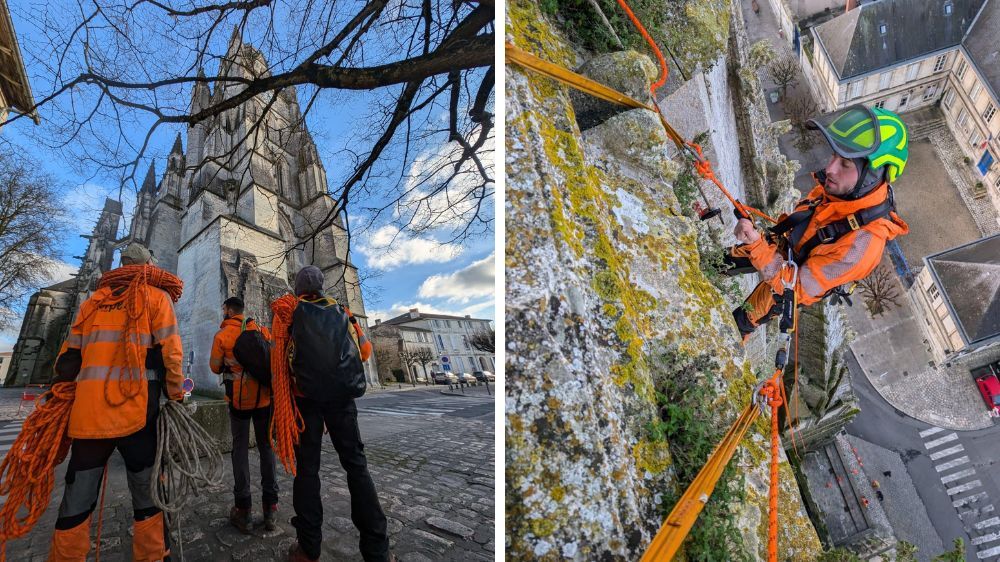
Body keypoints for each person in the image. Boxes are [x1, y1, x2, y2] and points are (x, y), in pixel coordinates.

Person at [725, 104, 910, 340]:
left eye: (845, 164)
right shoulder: (842, 192)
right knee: (721, 261)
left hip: (789, 285)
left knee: (738, 323)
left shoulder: (862, 246)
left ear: (873, 175)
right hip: (784, 247)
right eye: (834, 156)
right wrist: (761, 243)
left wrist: (757, 247)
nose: (830, 168)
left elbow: (795, 287)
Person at [48, 242, 184, 561]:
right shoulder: (156, 297)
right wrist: (176, 396)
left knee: (76, 503)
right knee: (149, 497)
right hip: (137, 416)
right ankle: (152, 556)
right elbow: (172, 356)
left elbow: (67, 361)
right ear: (146, 266)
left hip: (88, 419)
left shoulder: (93, 302)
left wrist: (58, 399)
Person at [280, 266, 392, 562]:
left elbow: (283, 359)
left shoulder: (292, 313)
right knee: (356, 467)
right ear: (322, 287)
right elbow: (365, 353)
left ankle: (307, 548)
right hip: (342, 401)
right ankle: (377, 551)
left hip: (307, 401)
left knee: (307, 471)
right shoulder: (342, 311)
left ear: (298, 289)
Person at [210, 296, 279, 533]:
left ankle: (244, 510)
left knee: (239, 449)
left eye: (223, 308)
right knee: (266, 448)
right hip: (263, 400)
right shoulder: (260, 329)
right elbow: (272, 358)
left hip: (239, 403)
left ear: (229, 310)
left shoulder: (222, 336)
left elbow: (214, 366)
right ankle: (271, 509)